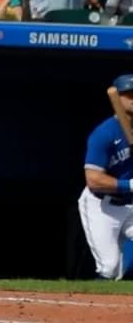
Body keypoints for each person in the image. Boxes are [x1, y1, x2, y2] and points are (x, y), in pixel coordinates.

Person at [78, 74, 133, 280]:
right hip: (102, 206)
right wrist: (129, 184)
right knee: (110, 268)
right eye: (129, 95)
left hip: (131, 204)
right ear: (118, 98)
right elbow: (93, 180)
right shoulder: (104, 133)